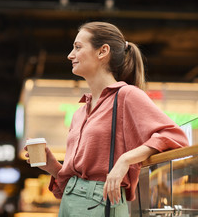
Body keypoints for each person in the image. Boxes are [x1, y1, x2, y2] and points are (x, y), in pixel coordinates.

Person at [24, 21, 189, 216]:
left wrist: (126, 160)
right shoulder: (79, 113)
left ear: (103, 51)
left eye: (77, 47)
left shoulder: (126, 95)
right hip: (70, 202)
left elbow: (176, 137)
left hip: (99, 204)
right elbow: (75, 180)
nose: (70, 55)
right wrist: (52, 167)